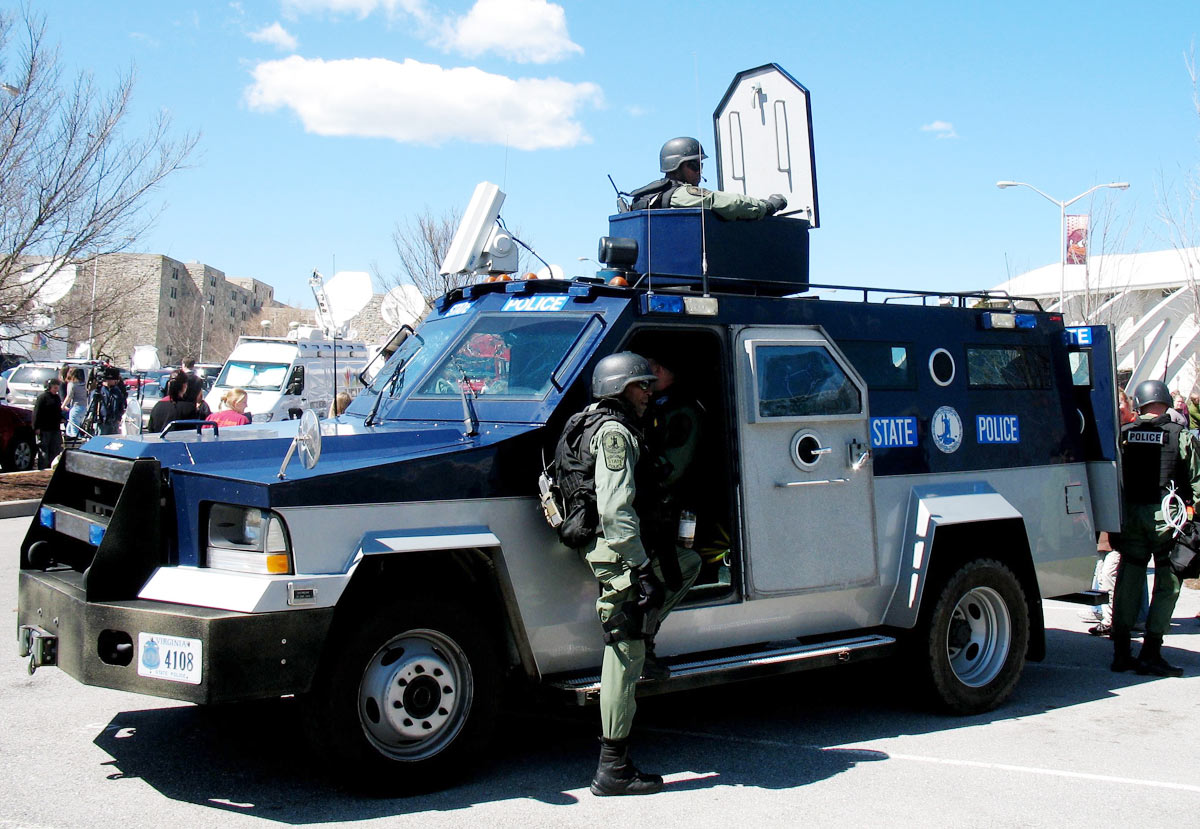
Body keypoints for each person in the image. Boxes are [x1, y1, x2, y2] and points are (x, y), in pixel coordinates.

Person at [557, 352, 701, 796]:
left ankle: (648, 637)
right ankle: (613, 769)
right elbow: (617, 513)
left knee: (689, 565)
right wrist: (641, 571)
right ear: (619, 389)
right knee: (624, 651)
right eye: (641, 386)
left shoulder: (585, 422)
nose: (648, 393)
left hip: (600, 545)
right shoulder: (616, 433)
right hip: (616, 552)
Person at [1110, 379, 1200, 677]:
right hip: (1166, 518)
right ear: (1165, 401)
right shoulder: (1180, 436)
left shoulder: (1123, 435)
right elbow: (1198, 484)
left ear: (1140, 403)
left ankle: (1121, 652)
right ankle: (1151, 653)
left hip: (1131, 516)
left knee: (1129, 579)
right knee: (1168, 582)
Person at [627, 136, 788, 220]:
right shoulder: (680, 195)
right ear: (676, 165)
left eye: (701, 166)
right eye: (694, 165)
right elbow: (725, 202)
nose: (699, 171)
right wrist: (765, 207)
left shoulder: (648, 196)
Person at [32, 378, 63, 468]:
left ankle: (52, 466)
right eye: (54, 388)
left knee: (55, 449)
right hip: (44, 428)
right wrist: (36, 427)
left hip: (55, 428)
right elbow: (36, 413)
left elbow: (58, 412)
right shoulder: (42, 398)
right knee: (44, 449)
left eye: (57, 388)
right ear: (49, 387)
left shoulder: (57, 398)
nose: (56, 390)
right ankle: (43, 467)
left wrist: (61, 418)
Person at [87, 366, 128, 435]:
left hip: (114, 421)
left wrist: (118, 417)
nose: (116, 381)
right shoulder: (99, 391)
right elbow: (92, 407)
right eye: (114, 380)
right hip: (102, 422)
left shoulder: (117, 391)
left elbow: (121, 404)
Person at [63, 368, 88, 439]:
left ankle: (77, 442)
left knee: (74, 428)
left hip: (75, 406)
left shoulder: (72, 384)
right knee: (69, 428)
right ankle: (68, 439)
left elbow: (69, 396)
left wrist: (63, 406)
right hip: (84, 407)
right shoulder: (84, 385)